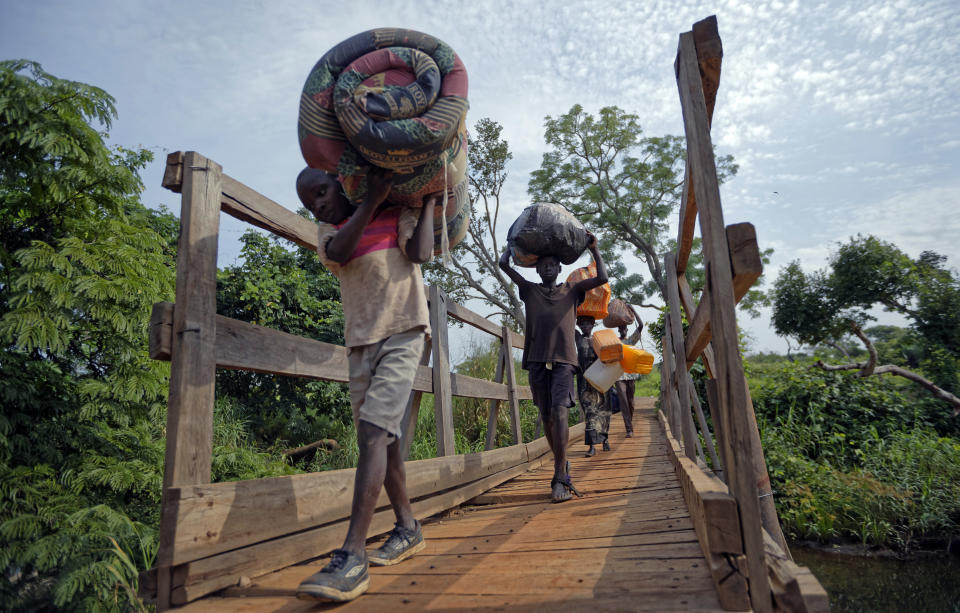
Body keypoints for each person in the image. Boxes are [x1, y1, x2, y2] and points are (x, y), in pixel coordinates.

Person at [294, 166, 440, 602]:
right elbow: (339, 253)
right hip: (360, 342)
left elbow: (420, 254)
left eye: (320, 191)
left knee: (376, 432)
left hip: (404, 330)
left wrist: (429, 201)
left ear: (343, 180)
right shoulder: (331, 230)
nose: (317, 204)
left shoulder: (396, 213)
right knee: (381, 439)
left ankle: (352, 555)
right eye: (309, 201)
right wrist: (372, 202)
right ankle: (409, 527)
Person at [498, 234, 608, 502]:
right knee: (546, 414)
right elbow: (504, 266)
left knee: (560, 411)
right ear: (537, 269)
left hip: (563, 360)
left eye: (552, 264)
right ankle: (562, 460)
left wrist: (595, 249)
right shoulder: (529, 290)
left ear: (560, 269)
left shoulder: (572, 291)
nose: (548, 267)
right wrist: (509, 250)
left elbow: (602, 278)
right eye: (543, 264)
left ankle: (560, 476)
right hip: (536, 358)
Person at [575, 315, 613, 456]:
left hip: (599, 378)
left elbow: (606, 358)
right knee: (590, 412)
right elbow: (568, 320)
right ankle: (591, 446)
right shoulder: (577, 337)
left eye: (588, 324)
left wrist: (595, 347)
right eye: (582, 324)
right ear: (579, 326)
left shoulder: (599, 339)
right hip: (584, 380)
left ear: (592, 325)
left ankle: (605, 439)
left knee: (603, 410)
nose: (585, 327)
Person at [613, 304, 643, 437]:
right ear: (618, 330)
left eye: (624, 328)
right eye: (621, 328)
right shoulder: (614, 342)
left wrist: (633, 310)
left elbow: (641, 325)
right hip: (618, 376)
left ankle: (629, 423)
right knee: (624, 402)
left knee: (630, 402)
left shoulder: (631, 340)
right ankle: (629, 429)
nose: (623, 330)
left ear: (626, 329)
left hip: (630, 375)